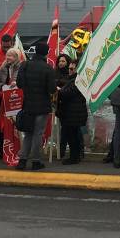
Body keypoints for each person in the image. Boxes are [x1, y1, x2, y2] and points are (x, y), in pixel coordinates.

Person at [15, 43, 57, 171]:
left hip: (28, 105)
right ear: (46, 53)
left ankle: (22, 161)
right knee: (38, 134)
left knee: (28, 133)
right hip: (42, 106)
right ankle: (36, 161)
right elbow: (51, 89)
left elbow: (19, 84)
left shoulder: (25, 65)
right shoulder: (48, 68)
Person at [55, 65, 88, 165]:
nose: (69, 70)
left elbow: (68, 93)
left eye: (72, 69)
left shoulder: (77, 81)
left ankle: (74, 157)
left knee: (72, 136)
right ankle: (76, 156)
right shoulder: (74, 80)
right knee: (73, 135)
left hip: (73, 113)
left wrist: (58, 90)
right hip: (73, 112)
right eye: (69, 68)